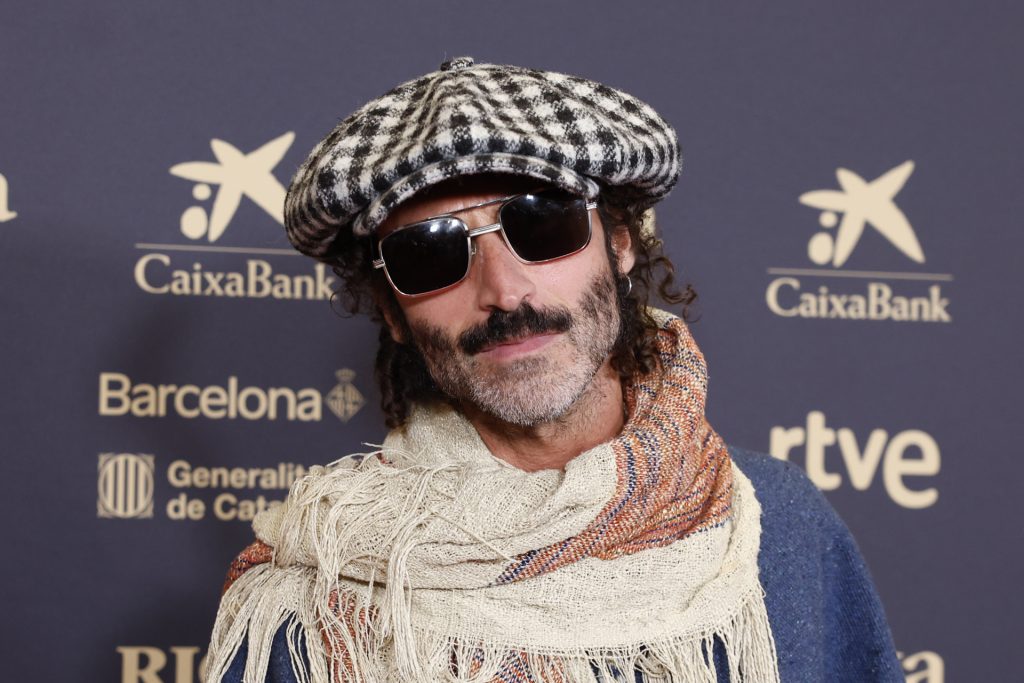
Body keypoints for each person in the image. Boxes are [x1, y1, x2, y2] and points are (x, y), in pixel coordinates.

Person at [204, 57, 902, 682]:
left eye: (540, 225)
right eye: (431, 254)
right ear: (393, 311)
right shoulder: (313, 595)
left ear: (619, 244)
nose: (505, 291)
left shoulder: (778, 526)